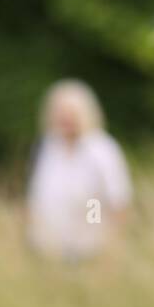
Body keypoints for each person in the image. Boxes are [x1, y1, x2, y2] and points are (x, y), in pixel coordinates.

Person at [26, 79, 132, 261]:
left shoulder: (100, 148)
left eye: (71, 113)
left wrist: (100, 241)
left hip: (88, 248)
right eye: (60, 112)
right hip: (48, 249)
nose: (66, 118)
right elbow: (36, 196)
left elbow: (112, 199)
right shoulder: (46, 147)